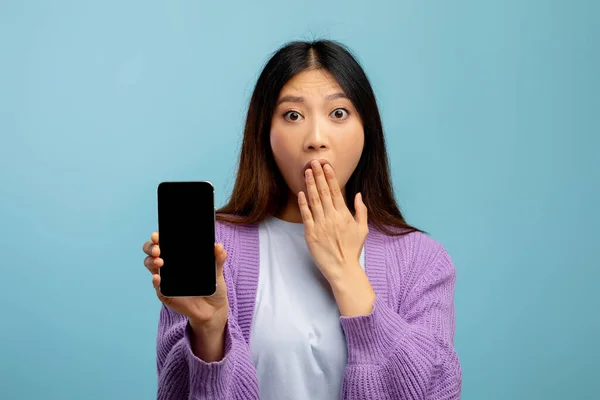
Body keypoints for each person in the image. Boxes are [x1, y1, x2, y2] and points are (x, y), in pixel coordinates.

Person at [142, 39, 462, 400]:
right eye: (292, 115)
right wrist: (209, 330)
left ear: (366, 130)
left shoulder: (423, 261)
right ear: (265, 133)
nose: (316, 139)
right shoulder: (215, 250)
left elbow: (435, 390)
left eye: (338, 113)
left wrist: (346, 273)